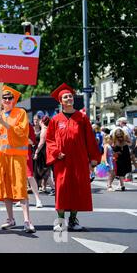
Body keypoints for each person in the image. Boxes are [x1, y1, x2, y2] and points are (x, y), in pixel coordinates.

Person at [46, 83, 101, 232]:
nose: (69, 98)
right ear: (60, 101)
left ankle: (73, 220)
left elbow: (90, 138)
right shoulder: (56, 120)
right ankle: (60, 221)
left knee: (77, 189)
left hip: (79, 159)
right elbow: (50, 140)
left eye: (70, 96)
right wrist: (56, 152)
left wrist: (94, 157)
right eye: (65, 97)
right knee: (62, 189)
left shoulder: (82, 118)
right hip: (62, 161)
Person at [0, 85, 36, 233]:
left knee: (20, 187)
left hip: (17, 157)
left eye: (10, 98)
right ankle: (10, 219)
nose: (8, 100)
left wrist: (4, 123)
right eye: (5, 98)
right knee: (6, 188)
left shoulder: (20, 113)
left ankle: (27, 221)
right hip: (2, 158)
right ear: (0, 101)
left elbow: (22, 133)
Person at [33, 116, 55, 194]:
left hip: (43, 153)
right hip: (45, 152)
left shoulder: (44, 130)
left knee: (43, 172)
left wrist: (36, 152)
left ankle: (53, 188)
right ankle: (48, 187)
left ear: (41, 122)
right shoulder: (47, 129)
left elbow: (41, 143)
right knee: (44, 172)